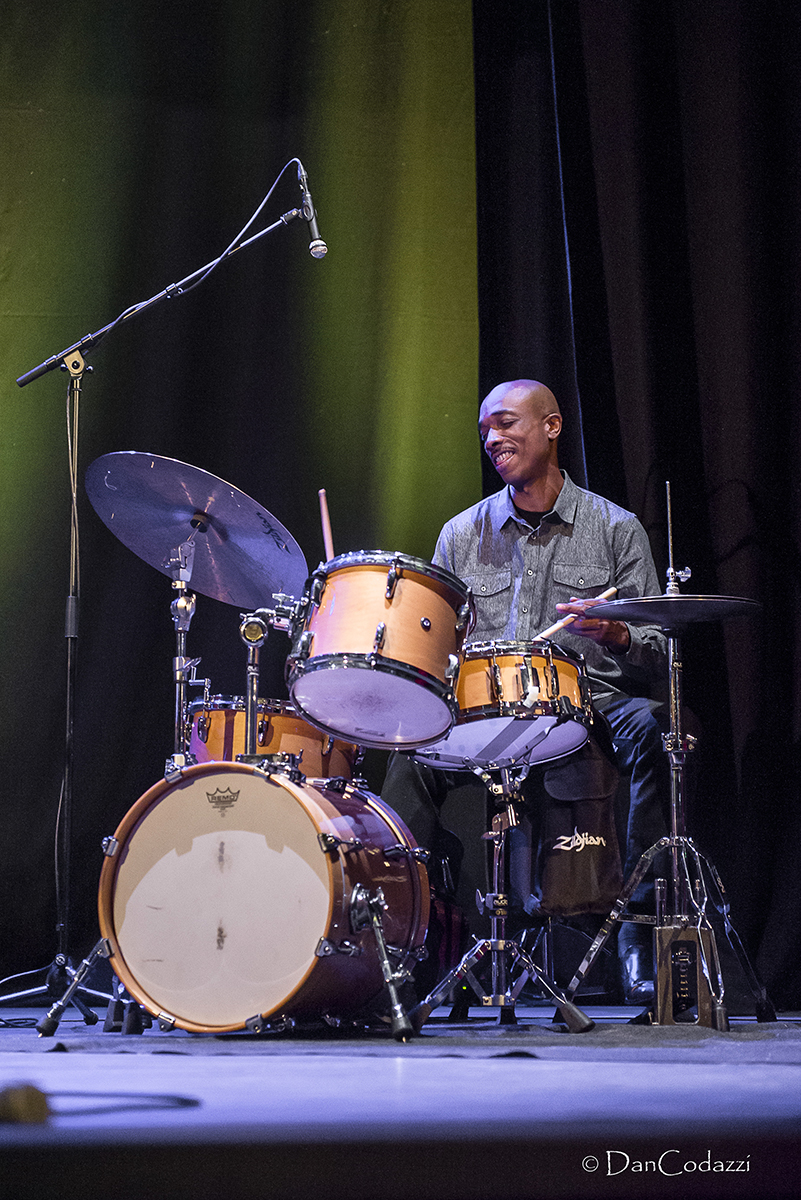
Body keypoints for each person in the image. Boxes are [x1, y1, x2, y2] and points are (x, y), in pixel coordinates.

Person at [382, 379, 678, 1005]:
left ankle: (636, 933)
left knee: (657, 729)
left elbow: (660, 651)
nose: (493, 439)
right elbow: (442, 648)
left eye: (508, 424)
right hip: (493, 707)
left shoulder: (615, 528)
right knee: (409, 753)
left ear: (552, 426)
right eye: (485, 429)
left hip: (591, 701)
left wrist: (617, 633)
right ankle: (400, 942)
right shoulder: (461, 535)